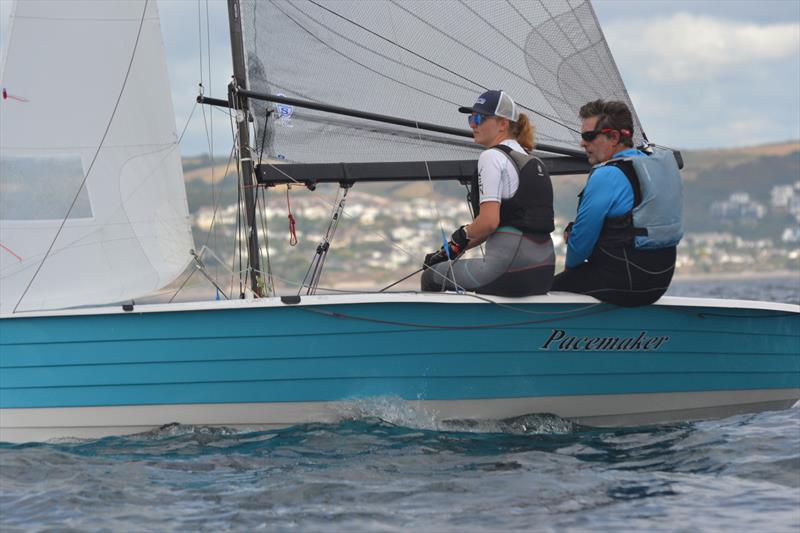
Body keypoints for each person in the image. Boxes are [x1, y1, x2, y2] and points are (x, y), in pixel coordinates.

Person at [420, 90, 555, 297]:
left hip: (508, 271)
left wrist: (460, 236)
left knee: (431, 276)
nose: (473, 125)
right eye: (471, 119)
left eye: (479, 119)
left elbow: (489, 222)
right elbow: (498, 225)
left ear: (503, 124)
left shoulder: (492, 156)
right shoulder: (535, 162)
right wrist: (453, 249)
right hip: (543, 273)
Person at [551, 99, 683, 306]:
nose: (582, 143)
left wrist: (570, 274)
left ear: (613, 137)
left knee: (549, 288)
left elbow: (581, 243)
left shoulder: (606, 175)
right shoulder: (649, 166)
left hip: (626, 283)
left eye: (588, 136)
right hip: (660, 281)